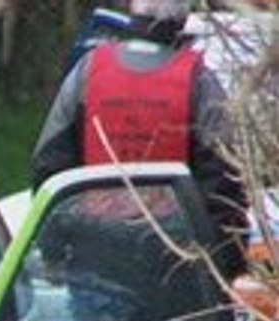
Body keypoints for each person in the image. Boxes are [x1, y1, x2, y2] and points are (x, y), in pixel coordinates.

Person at [31, 0, 248, 282]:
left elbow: (50, 164)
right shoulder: (198, 80)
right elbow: (223, 183)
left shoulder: (88, 70)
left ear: (132, 8)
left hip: (95, 256)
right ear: (184, 19)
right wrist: (225, 267)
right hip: (175, 264)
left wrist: (54, 251)